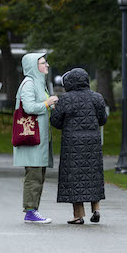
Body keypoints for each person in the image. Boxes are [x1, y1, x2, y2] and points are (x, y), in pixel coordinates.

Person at [50, 68, 108, 224]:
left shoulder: (65, 98)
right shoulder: (97, 97)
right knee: (93, 176)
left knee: (74, 178)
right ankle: (96, 209)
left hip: (72, 145)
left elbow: (55, 121)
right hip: (93, 143)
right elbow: (103, 120)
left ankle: (78, 215)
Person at [14, 53, 58, 224]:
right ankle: (30, 212)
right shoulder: (29, 84)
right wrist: (47, 103)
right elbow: (29, 107)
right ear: (33, 66)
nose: (46, 65)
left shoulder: (39, 83)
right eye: (42, 63)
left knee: (39, 174)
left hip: (40, 139)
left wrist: (51, 103)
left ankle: (33, 210)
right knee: (34, 175)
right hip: (32, 138)